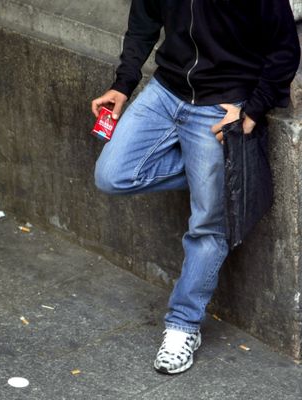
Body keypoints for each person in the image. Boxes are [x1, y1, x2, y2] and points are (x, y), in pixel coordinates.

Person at [91, 0, 300, 375]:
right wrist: (123, 83)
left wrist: (252, 111)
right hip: (165, 91)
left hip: (221, 104)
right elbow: (143, 19)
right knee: (112, 175)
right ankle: (219, 179)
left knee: (208, 223)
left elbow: (285, 49)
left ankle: (183, 325)